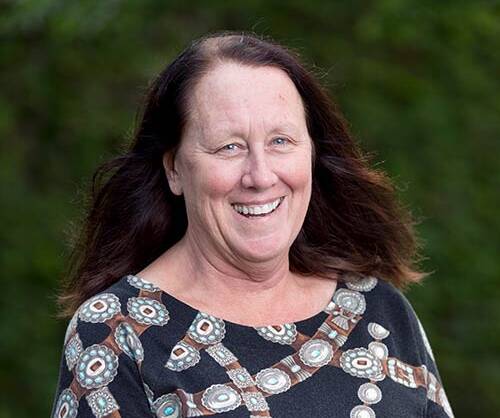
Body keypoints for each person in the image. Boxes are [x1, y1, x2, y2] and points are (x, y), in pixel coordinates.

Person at [51, 31, 454, 418]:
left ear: (311, 153)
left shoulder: (378, 309)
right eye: (230, 147)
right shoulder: (114, 334)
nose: (260, 176)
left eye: (281, 141)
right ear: (174, 168)